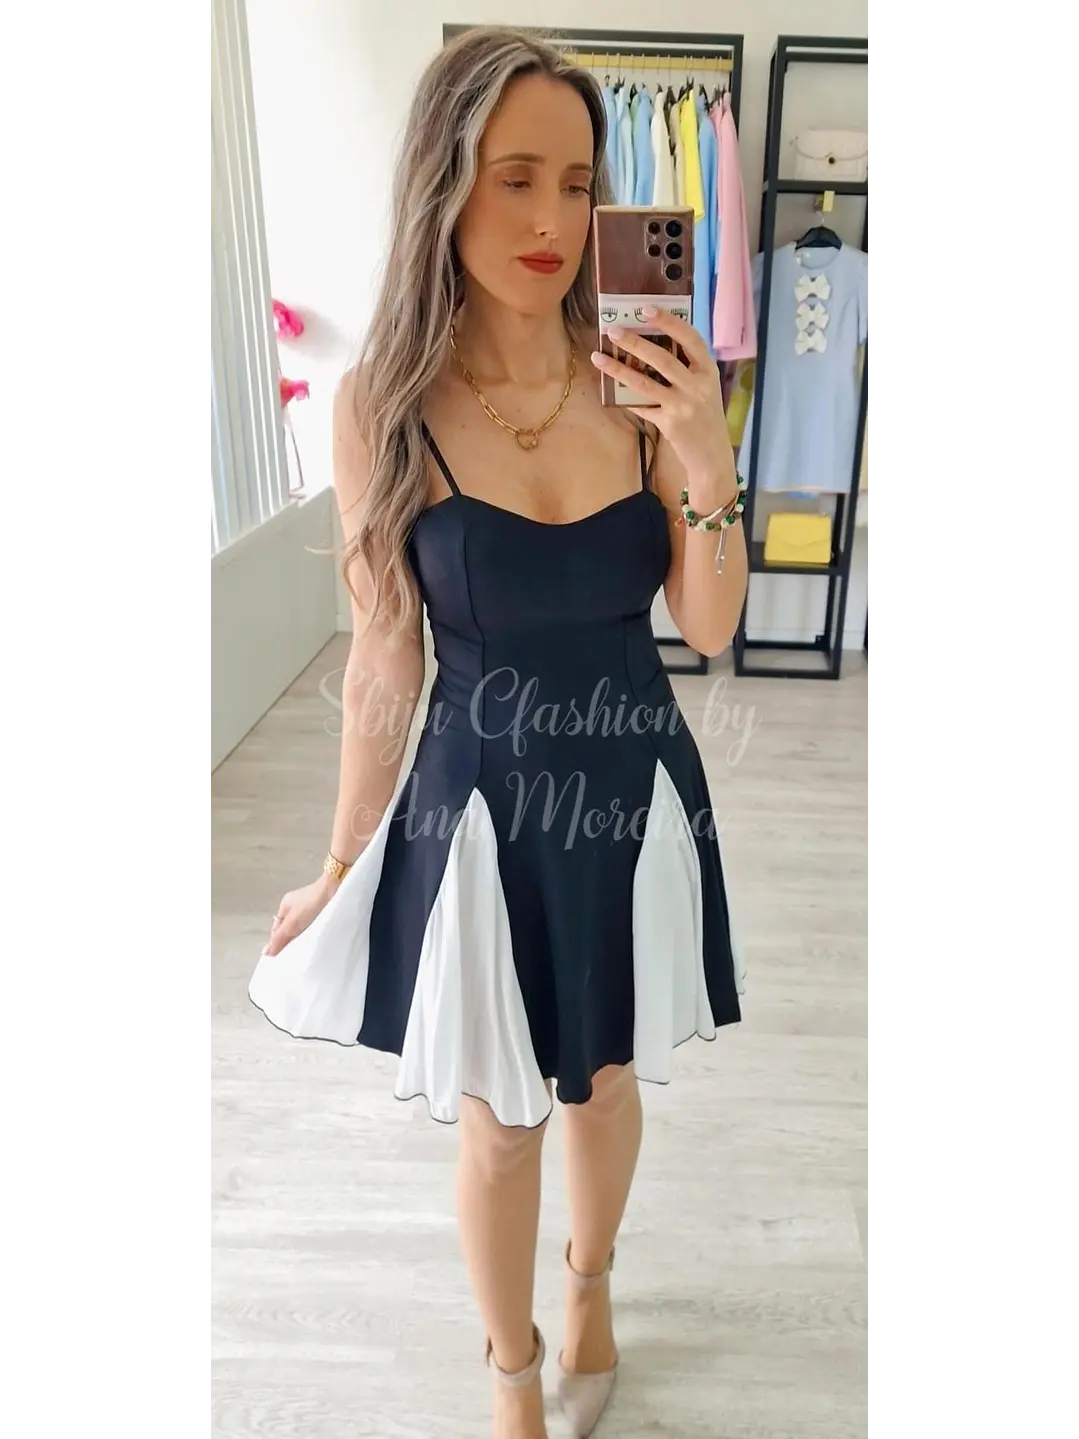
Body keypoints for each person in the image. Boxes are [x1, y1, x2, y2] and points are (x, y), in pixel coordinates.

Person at [248, 25, 748, 1439]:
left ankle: (589, 1286)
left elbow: (710, 626)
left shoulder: (641, 380)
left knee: (603, 1080)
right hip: (474, 803)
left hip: (629, 785)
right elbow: (382, 658)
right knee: (500, 1114)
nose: (550, 219)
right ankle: (511, 1374)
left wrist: (703, 451)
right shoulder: (385, 406)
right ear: (444, 184)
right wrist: (339, 867)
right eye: (512, 176)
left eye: (577, 184)